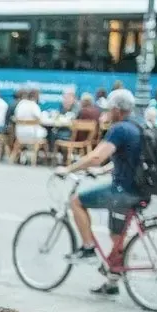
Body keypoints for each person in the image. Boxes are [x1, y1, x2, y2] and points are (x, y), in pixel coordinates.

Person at [59, 86, 142, 298]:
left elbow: (96, 156)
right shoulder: (136, 127)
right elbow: (128, 161)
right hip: (139, 191)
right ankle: (112, 281)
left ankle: (87, 248)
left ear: (117, 109)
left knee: (76, 201)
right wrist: (103, 171)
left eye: (110, 108)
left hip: (123, 191)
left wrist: (69, 169)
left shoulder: (119, 129)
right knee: (117, 236)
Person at [9, 87, 46, 160]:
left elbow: (15, 117)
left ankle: (16, 156)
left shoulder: (20, 104)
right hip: (32, 134)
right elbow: (40, 119)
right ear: (36, 97)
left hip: (19, 135)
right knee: (46, 135)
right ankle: (45, 159)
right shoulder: (34, 105)